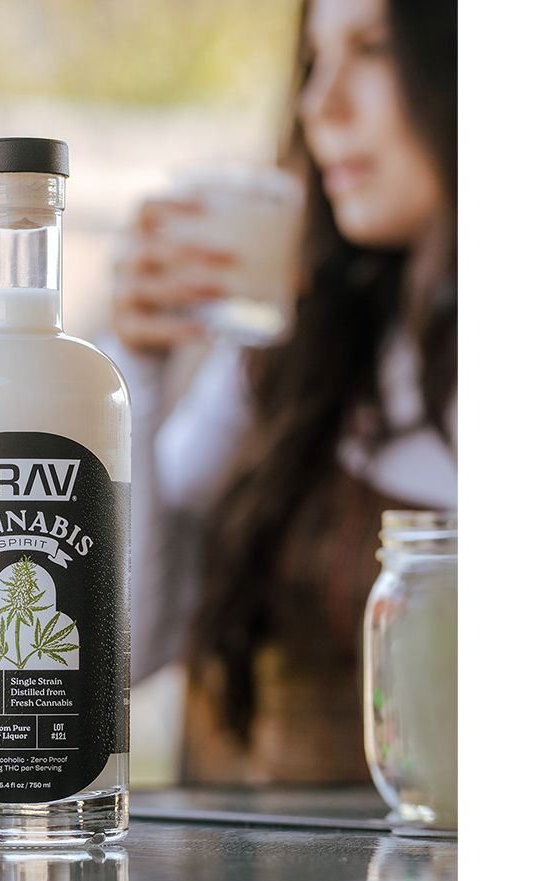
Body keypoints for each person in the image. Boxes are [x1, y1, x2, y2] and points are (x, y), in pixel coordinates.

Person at [107, 0, 456, 784]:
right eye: (314, 59)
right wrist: (135, 366)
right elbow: (126, 646)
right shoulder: (295, 342)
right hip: (235, 858)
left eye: (373, 49)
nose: (319, 104)